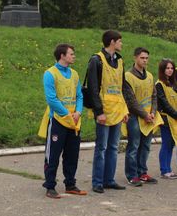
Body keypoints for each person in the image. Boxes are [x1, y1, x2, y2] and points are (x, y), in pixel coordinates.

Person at [39, 43, 87, 199]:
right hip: (58, 120)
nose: (74, 56)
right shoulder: (50, 74)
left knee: (72, 154)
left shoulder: (74, 74)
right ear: (62, 56)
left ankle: (70, 184)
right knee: (53, 155)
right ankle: (50, 186)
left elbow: (79, 95)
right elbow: (51, 99)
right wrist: (67, 113)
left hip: (74, 121)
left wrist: (78, 112)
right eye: (71, 54)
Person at [86, 30, 129, 193]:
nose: (121, 44)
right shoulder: (96, 60)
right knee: (102, 147)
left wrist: (124, 110)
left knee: (113, 147)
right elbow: (93, 88)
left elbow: (122, 87)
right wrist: (99, 112)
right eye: (120, 41)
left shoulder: (120, 60)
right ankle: (97, 182)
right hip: (104, 111)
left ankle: (109, 180)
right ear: (112, 42)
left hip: (117, 110)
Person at [122, 47, 159, 186]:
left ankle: (142, 172)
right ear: (135, 58)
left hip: (149, 116)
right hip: (134, 117)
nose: (145, 60)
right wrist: (144, 114)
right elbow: (130, 100)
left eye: (146, 58)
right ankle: (132, 175)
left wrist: (153, 112)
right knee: (134, 146)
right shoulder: (128, 76)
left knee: (146, 146)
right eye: (142, 58)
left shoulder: (149, 76)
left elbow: (154, 96)